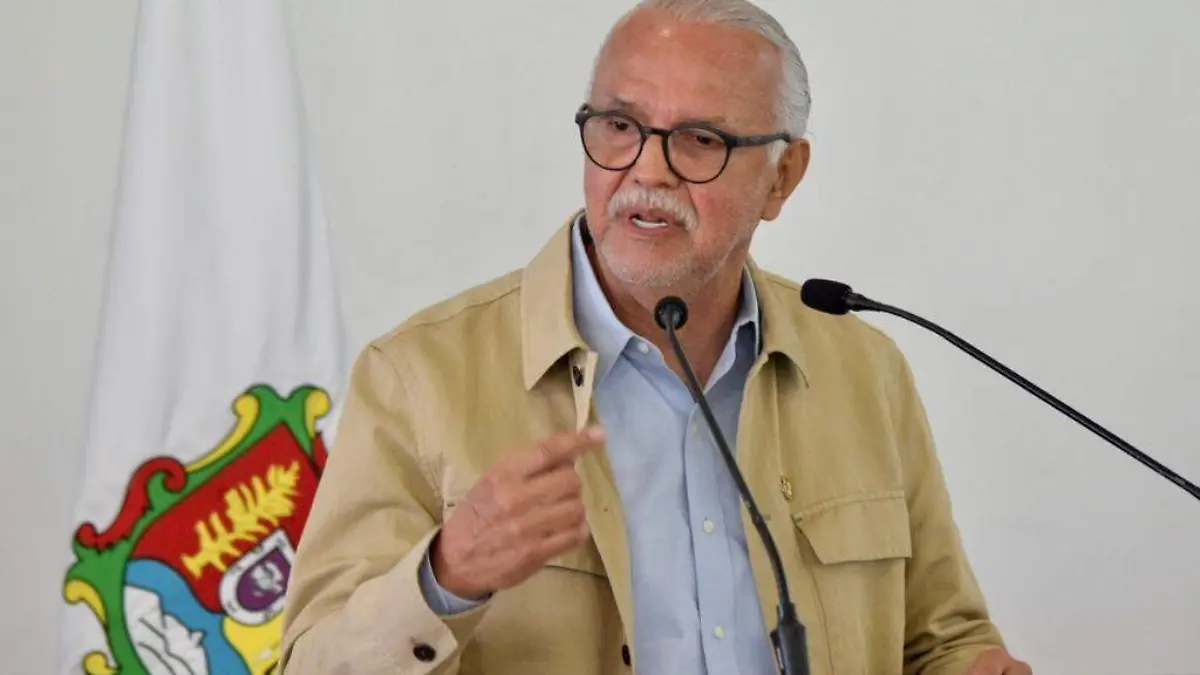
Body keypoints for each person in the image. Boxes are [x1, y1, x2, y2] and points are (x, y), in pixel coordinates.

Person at [279, 0, 1033, 673]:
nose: (648, 169)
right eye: (619, 126)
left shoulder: (864, 370)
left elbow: (940, 639)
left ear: (782, 178)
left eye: (700, 139)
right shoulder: (417, 378)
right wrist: (446, 578)